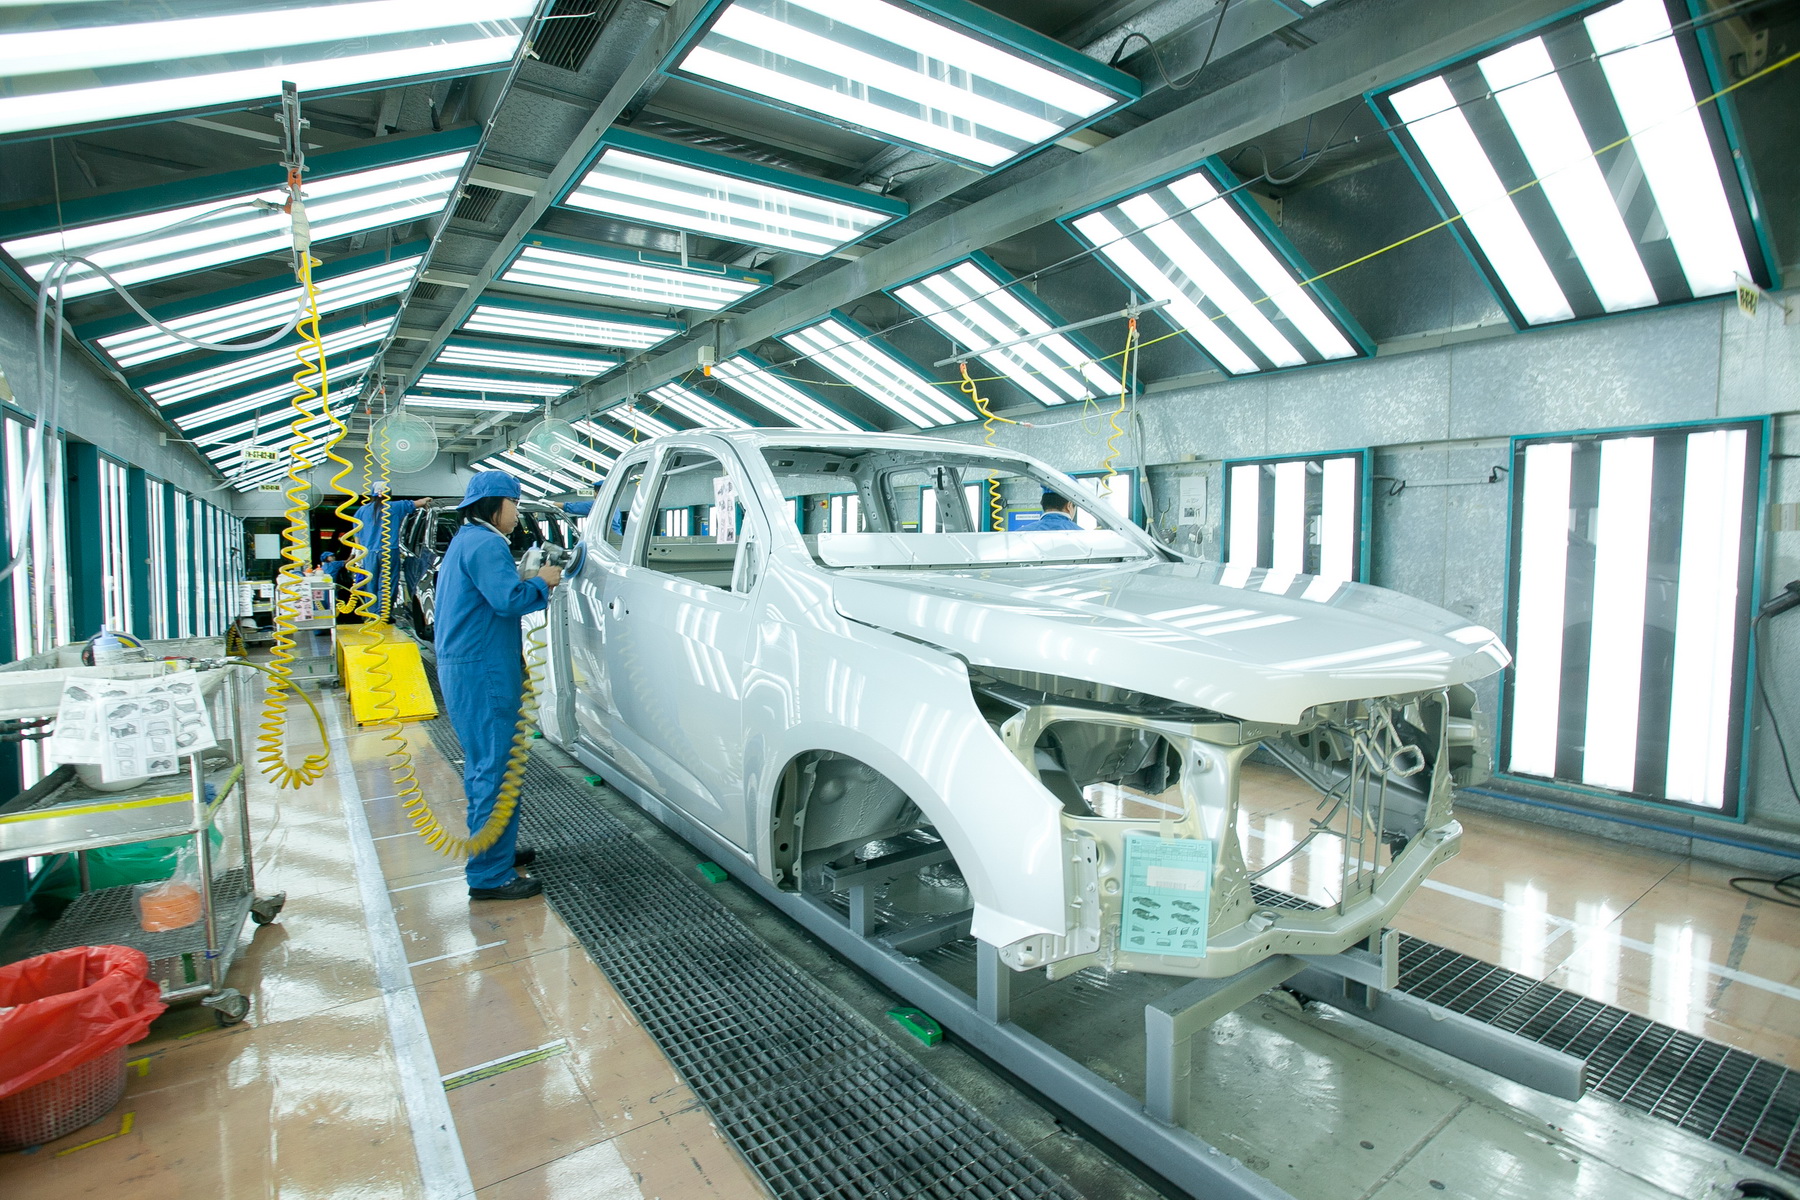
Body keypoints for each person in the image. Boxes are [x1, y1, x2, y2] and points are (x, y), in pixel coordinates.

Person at [436, 471, 562, 901]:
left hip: (468, 666)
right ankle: (490, 875)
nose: (517, 513)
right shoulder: (488, 543)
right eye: (515, 504)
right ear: (496, 504)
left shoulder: (466, 540)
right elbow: (507, 600)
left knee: (486, 766)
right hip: (484, 669)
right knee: (495, 768)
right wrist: (543, 581)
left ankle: (497, 850)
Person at [349, 490, 421, 620]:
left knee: (370, 584)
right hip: (389, 551)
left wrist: (357, 554)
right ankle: (384, 615)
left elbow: (357, 534)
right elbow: (418, 503)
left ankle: (372, 615)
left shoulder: (362, 510)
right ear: (389, 494)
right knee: (387, 584)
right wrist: (427, 500)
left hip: (368, 553)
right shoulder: (395, 506)